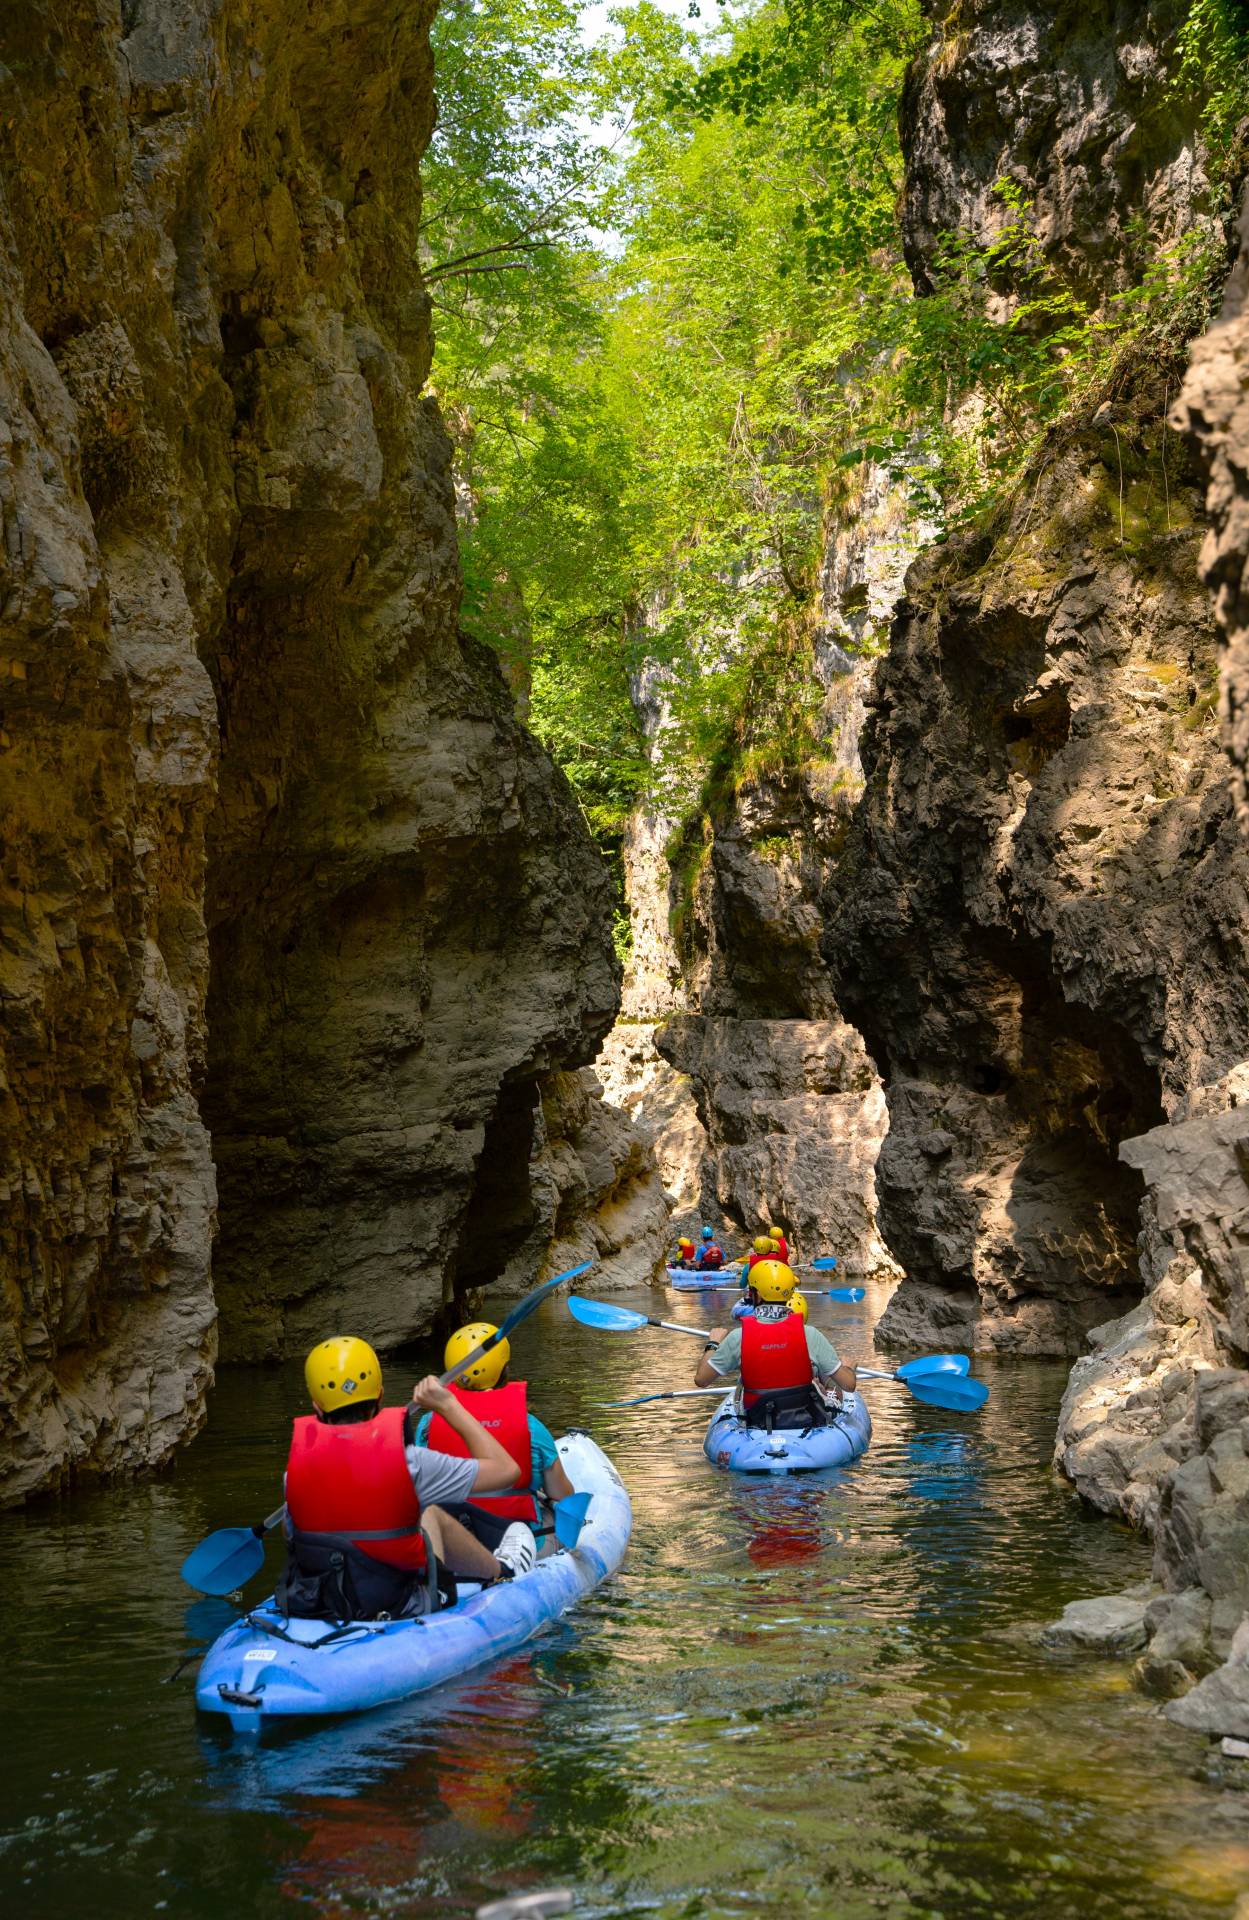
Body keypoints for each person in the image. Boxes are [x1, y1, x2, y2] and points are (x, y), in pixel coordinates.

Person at [281, 1334, 537, 1623]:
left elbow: (294, 1539)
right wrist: (448, 1405)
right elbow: (507, 1471)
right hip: (400, 1604)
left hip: (325, 1601)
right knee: (429, 1512)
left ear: (316, 1406)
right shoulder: (411, 1463)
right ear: (379, 1394)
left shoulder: (293, 1473)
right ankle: (502, 1570)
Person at [411, 1321, 575, 1549]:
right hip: (518, 1537)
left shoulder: (428, 1425)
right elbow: (563, 1495)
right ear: (504, 1369)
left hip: (453, 1541)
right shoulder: (531, 1427)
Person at [693, 1259, 857, 1430]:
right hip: (802, 1419)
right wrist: (848, 1368)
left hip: (757, 1422)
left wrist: (713, 1343)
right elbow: (849, 1385)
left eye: (751, 1291)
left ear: (758, 1295)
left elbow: (701, 1380)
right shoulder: (810, 1334)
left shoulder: (738, 1337)